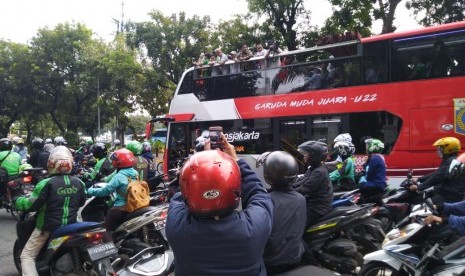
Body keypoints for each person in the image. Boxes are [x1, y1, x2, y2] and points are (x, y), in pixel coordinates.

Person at [165, 133, 273, 275]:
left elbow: (181, 194)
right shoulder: (256, 226)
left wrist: (200, 161)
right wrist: (236, 160)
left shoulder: (175, 227)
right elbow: (258, 192)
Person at [15, 146, 86, 276]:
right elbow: (81, 201)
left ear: (51, 164)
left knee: (26, 256)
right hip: (71, 226)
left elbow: (32, 205)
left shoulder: (46, 183)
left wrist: (17, 200)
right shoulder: (79, 182)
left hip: (47, 228)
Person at [258, 151, 307, 275]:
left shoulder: (266, 200)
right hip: (294, 258)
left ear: (268, 175)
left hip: (271, 262)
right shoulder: (300, 199)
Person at [87, 148, 139, 231]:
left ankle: (110, 243)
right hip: (134, 203)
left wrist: (89, 191)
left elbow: (105, 192)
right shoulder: (134, 172)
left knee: (105, 230)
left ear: (119, 161)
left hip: (121, 207)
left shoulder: (119, 176)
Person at [409, 137, 465, 205]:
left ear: (449, 149)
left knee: (422, 209)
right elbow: (437, 173)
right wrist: (419, 179)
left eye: (441, 149)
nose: (438, 151)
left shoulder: (451, 162)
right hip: (443, 192)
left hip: (448, 196)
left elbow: (437, 177)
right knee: (421, 198)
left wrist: (419, 187)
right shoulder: (451, 160)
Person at [292, 141, 333, 227]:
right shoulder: (314, 169)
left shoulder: (318, 172)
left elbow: (303, 189)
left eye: (306, 153)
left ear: (314, 156)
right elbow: (302, 182)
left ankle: (297, 240)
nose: (304, 156)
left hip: (317, 208)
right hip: (313, 203)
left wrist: (287, 193)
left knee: (295, 224)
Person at [358, 138, 387, 205]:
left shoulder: (375, 158)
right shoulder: (377, 157)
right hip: (377, 183)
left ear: (373, 147)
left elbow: (369, 175)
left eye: (368, 145)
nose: (366, 147)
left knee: (357, 188)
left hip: (376, 184)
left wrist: (362, 178)